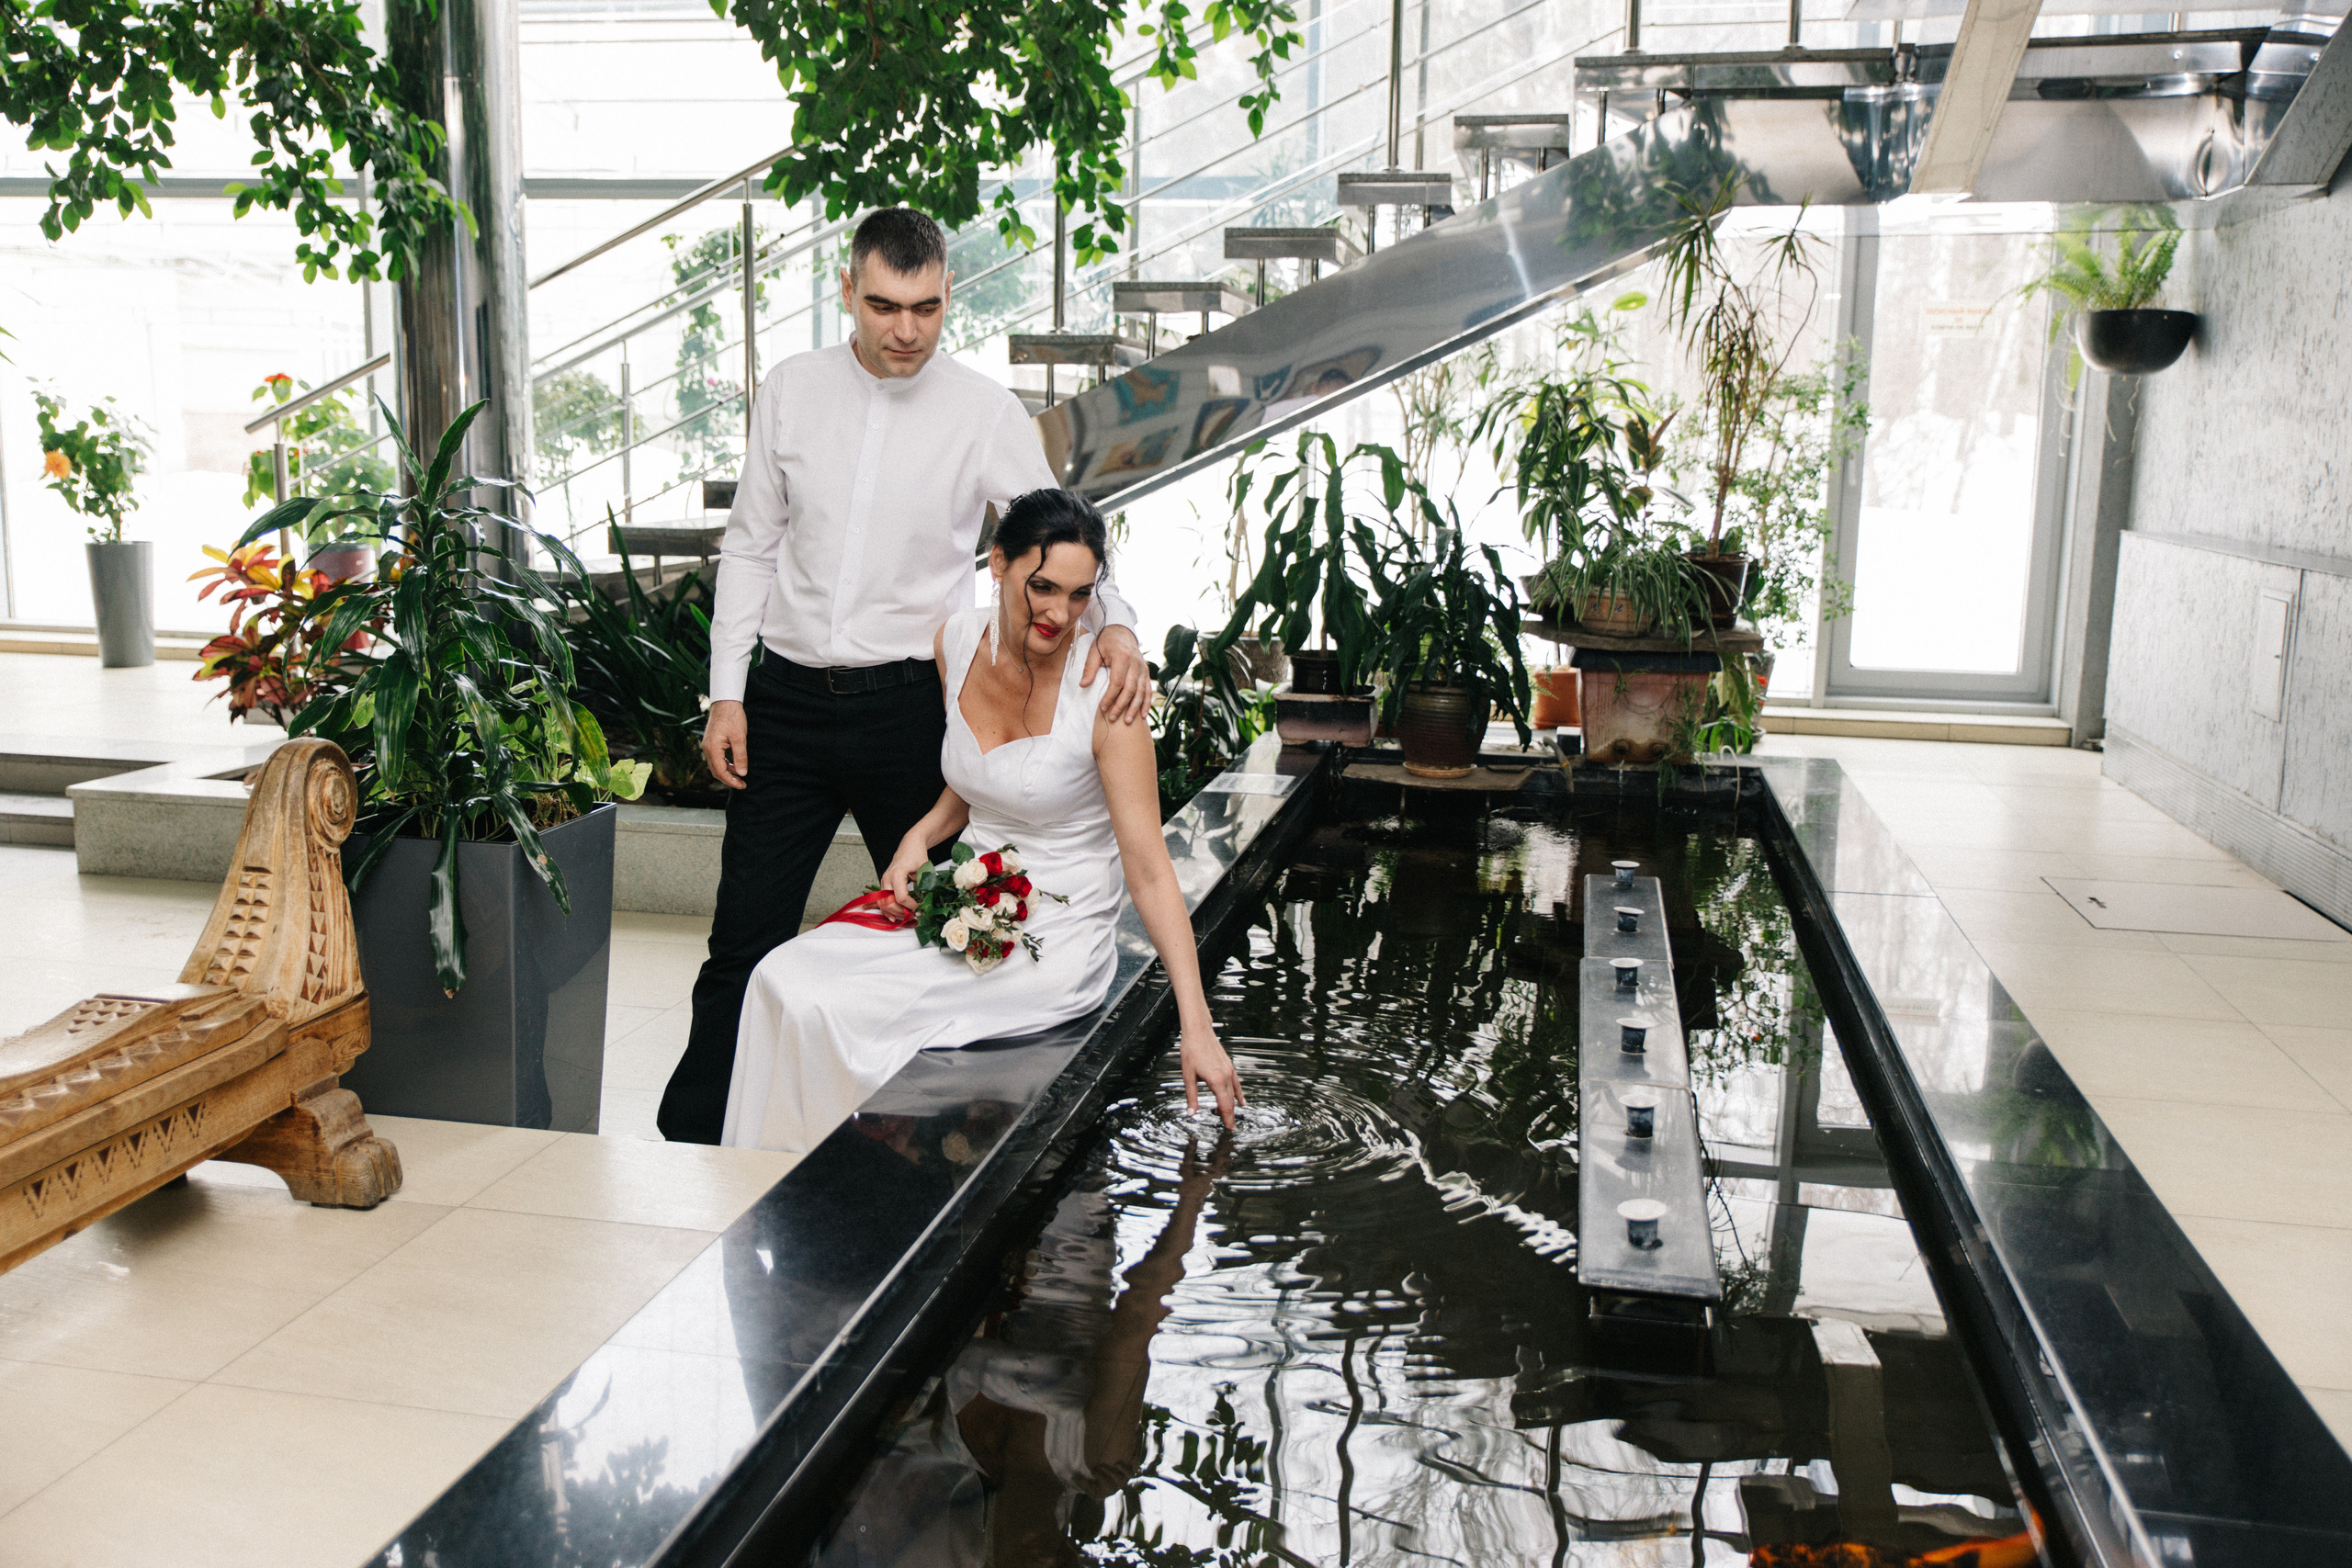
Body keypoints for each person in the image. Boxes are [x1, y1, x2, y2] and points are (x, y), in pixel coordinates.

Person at [660, 207, 1154, 1145]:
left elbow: (1060, 534)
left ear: (946, 298)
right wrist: (726, 691)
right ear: (845, 292)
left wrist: (1118, 629)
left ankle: (925, 1156)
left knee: (949, 935)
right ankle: (699, 1146)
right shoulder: (793, 390)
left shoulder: (982, 412)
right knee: (742, 947)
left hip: (906, 711)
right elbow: (752, 547)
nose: (905, 330)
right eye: (883, 306)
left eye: (925, 308)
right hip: (789, 706)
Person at [720, 489, 1242, 1155]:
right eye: (1043, 586)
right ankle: (774, 1197)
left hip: (1057, 935)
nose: (1060, 613)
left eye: (1081, 595)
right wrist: (920, 835)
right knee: (779, 977)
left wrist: (1196, 1024)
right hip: (971, 896)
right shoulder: (957, 641)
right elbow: (975, 782)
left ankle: (853, 1190)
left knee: (832, 1008)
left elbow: (1149, 868)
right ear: (996, 563)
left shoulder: (1108, 695)